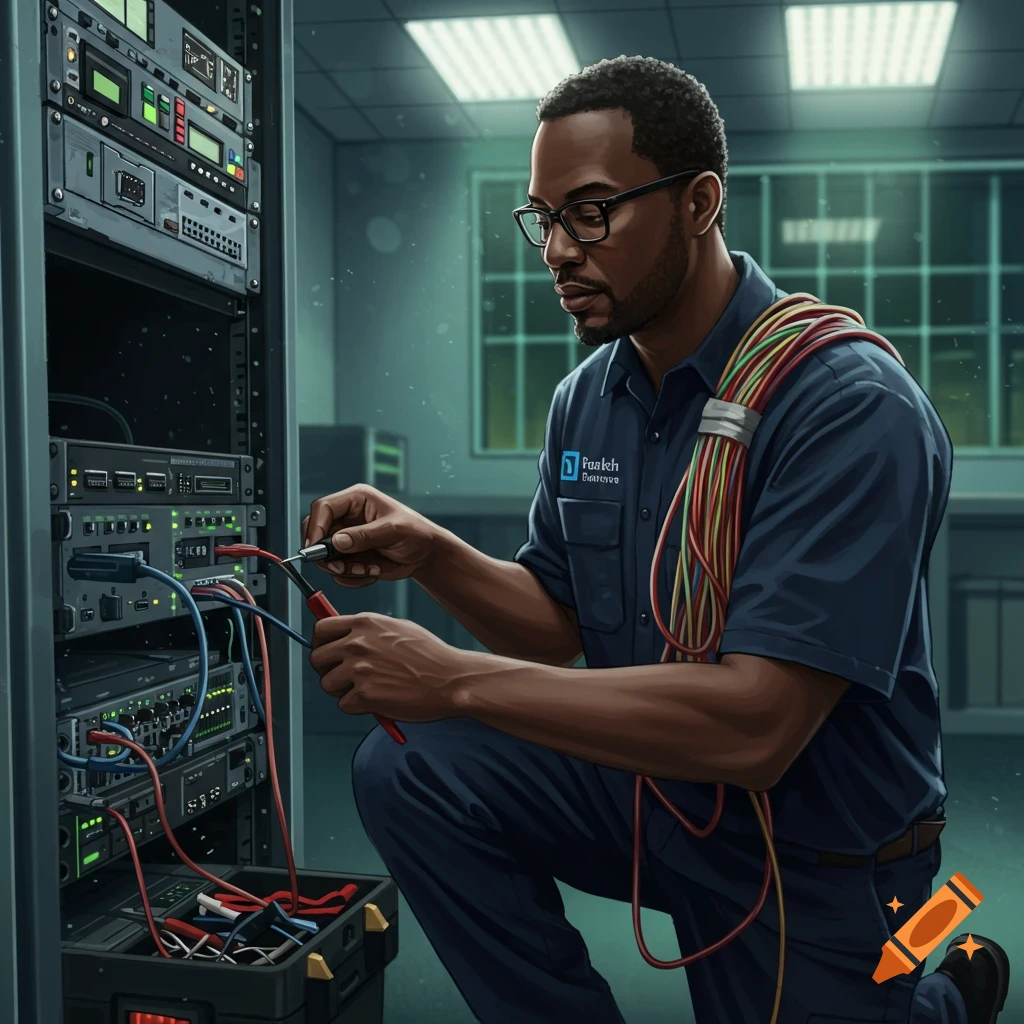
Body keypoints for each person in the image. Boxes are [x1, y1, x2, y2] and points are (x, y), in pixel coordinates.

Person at [305, 57, 1010, 1024]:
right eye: (543, 219)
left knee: (874, 1003)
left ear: (699, 203)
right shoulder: (586, 399)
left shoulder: (848, 406)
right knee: (410, 764)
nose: (557, 251)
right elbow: (556, 625)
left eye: (591, 213)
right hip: (658, 799)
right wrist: (433, 552)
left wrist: (453, 678)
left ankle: (947, 984)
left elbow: (757, 728)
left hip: (811, 849)